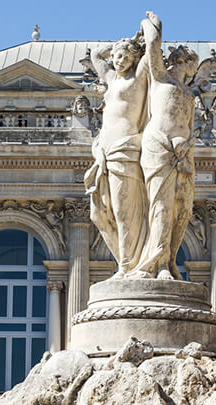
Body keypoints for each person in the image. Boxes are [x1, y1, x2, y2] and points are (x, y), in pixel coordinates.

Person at [130, 11, 199, 280]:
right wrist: (152, 26)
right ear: (188, 63)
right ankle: (156, 263)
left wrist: (187, 147)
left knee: (183, 210)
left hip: (183, 153)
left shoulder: (189, 94)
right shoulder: (159, 79)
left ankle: (168, 260)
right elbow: (152, 46)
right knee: (162, 206)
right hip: (159, 147)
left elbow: (188, 126)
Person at [84, 33, 150, 279]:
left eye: (125, 57)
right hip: (104, 151)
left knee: (123, 214)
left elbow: (152, 48)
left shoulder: (138, 80)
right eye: (116, 57)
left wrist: (137, 42)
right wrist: (121, 45)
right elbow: (95, 55)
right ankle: (127, 262)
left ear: (135, 60)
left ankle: (127, 267)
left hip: (125, 150)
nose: (119, 60)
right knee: (99, 214)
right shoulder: (111, 79)